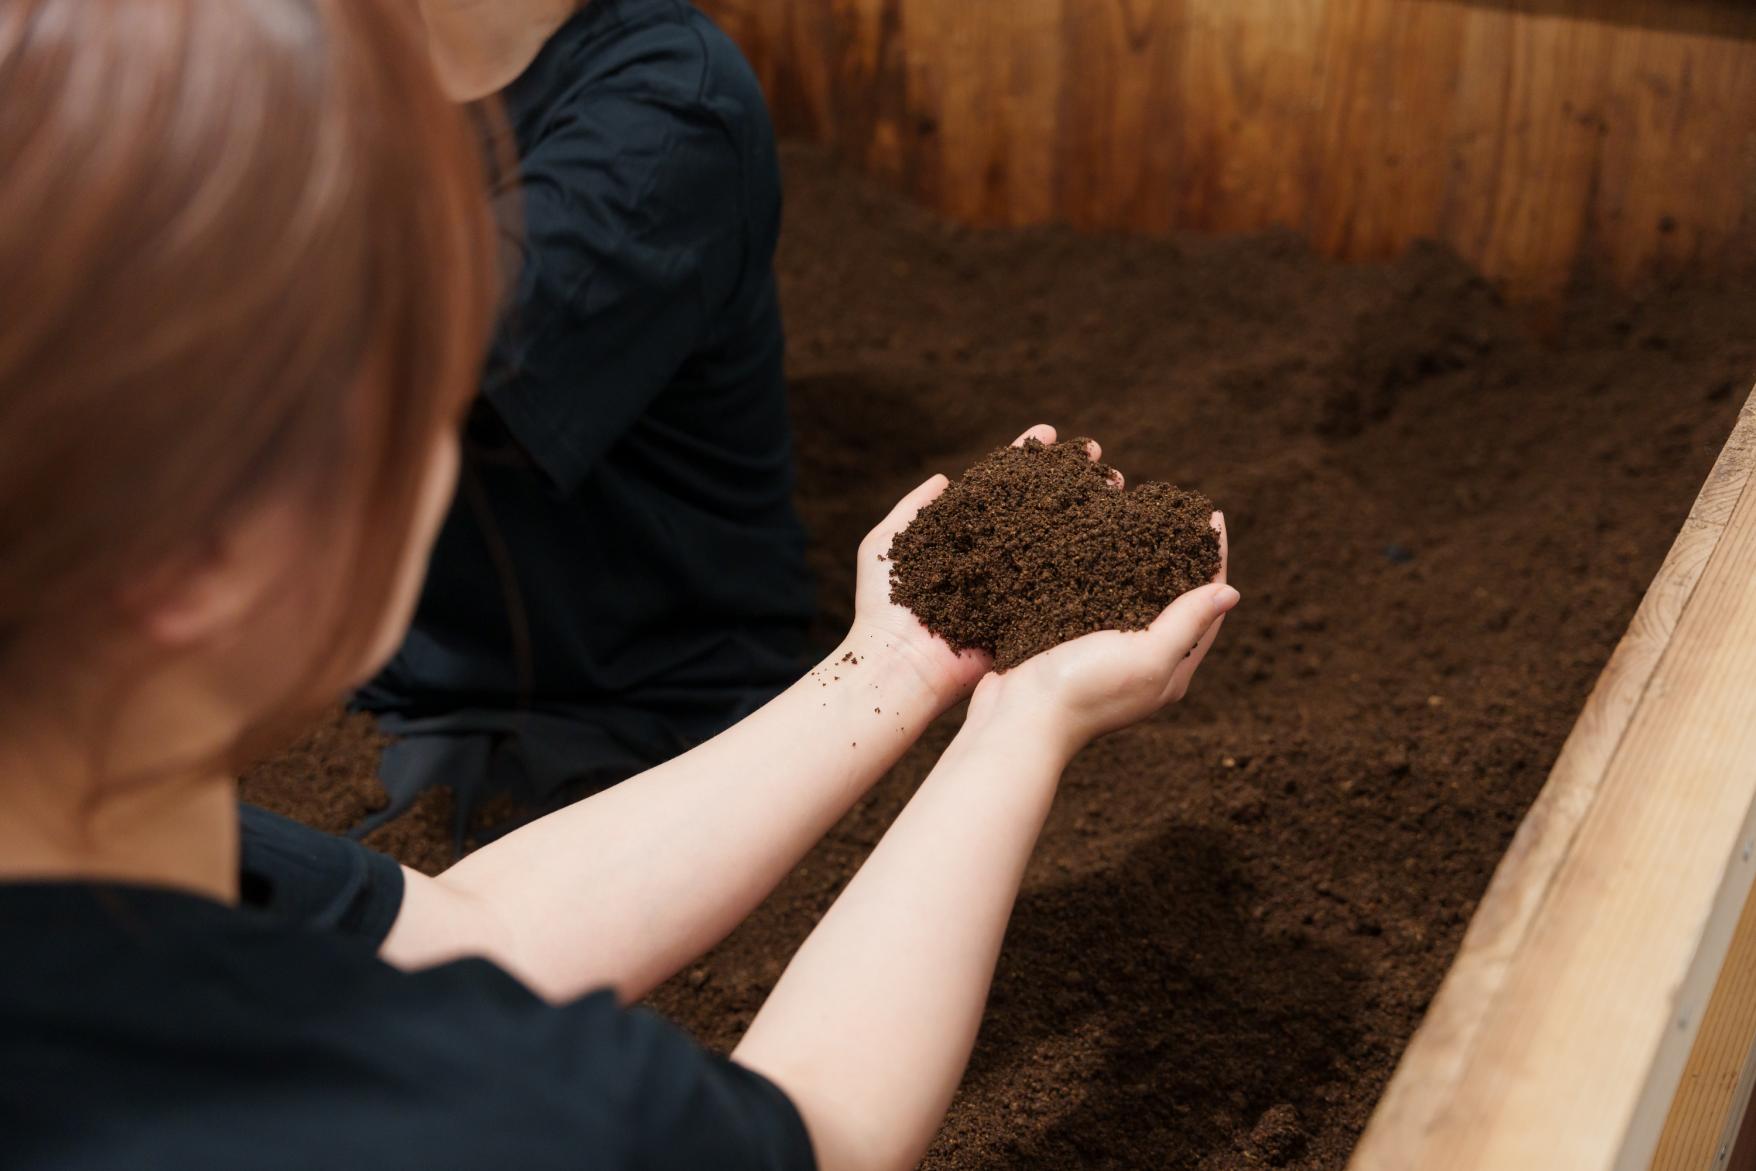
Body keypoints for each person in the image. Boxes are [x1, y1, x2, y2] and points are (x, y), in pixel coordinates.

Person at [0, 1, 1238, 1169]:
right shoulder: (414, 1104)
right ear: (212, 564)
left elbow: (477, 932)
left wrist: (894, 664)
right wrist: (1020, 734)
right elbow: (819, 1135)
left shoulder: (101, 842)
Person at [351, 0, 815, 843]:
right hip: (373, 672)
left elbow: (428, 354)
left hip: (628, 707)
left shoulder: (674, 98)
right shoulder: (328, 63)